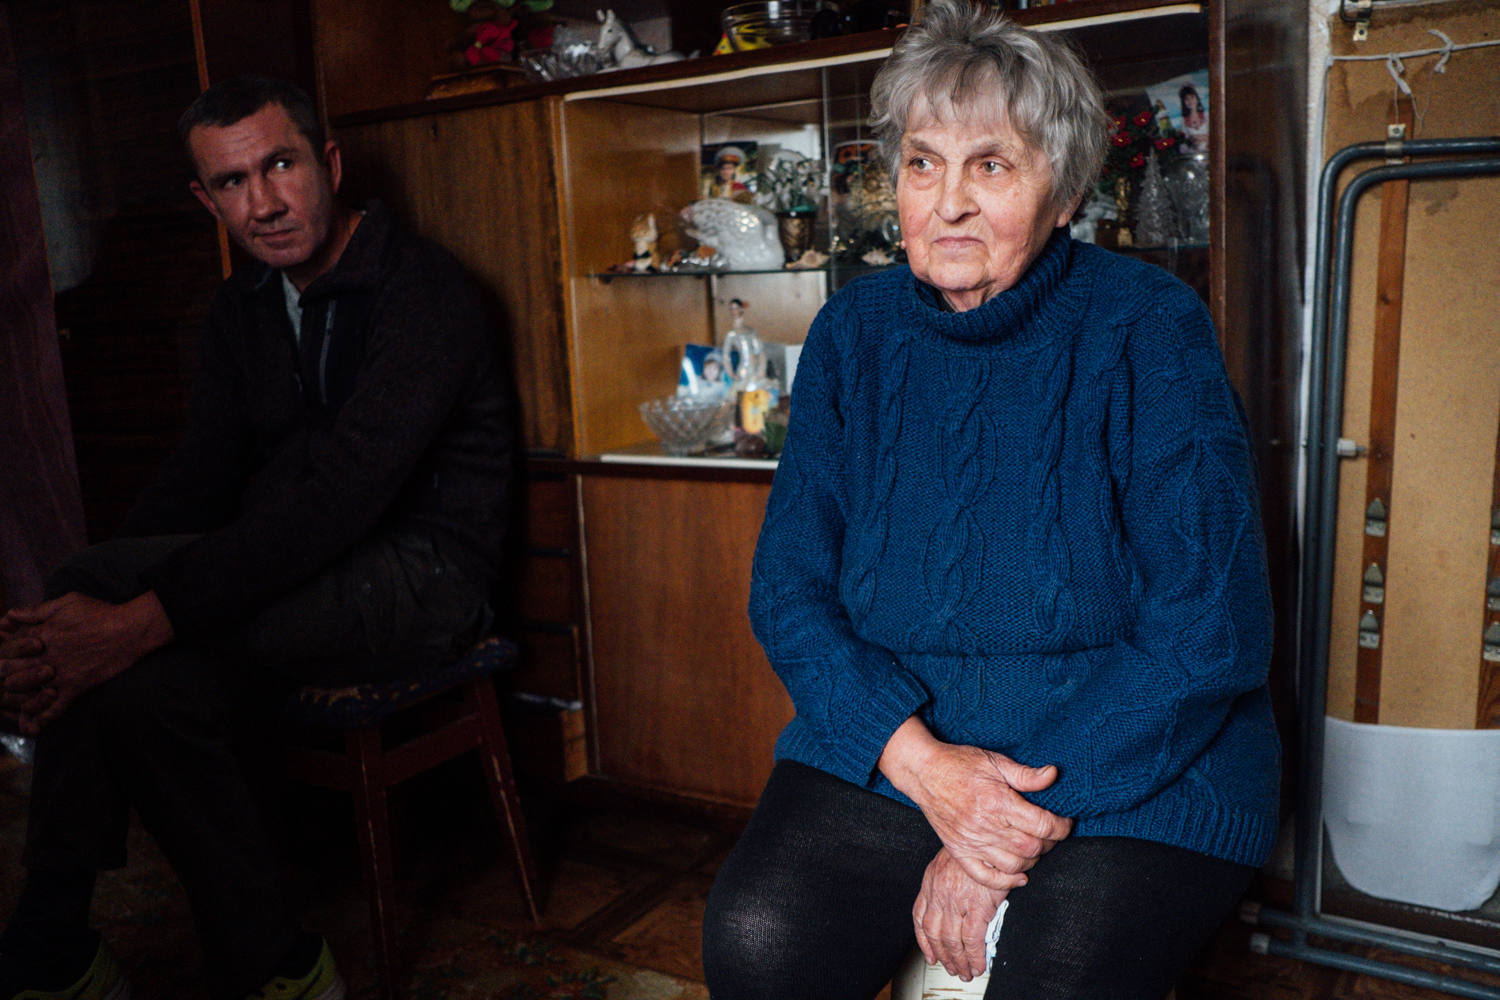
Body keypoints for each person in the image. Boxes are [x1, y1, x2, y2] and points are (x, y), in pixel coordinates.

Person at [700, 5, 1279, 999]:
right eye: (923, 163)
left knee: (1054, 978)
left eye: (993, 165)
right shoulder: (852, 335)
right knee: (757, 940)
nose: (950, 202)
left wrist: (993, 832)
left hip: (1129, 752)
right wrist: (926, 768)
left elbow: (1209, 627)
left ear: (1066, 192)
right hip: (902, 746)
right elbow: (789, 590)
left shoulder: (1149, 327)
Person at [0, 75, 511, 1000]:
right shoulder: (242, 308)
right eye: (233, 182)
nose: (264, 203)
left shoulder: (423, 290)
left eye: (280, 165)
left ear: (330, 164)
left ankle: (48, 947)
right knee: (134, 686)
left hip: (421, 578)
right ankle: (279, 963)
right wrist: (91, 617)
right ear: (207, 200)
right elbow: (198, 477)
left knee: (105, 617)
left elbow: (341, 501)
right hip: (297, 573)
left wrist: (138, 612)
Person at [1180, 84, 1208, 152]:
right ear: (1184, 102)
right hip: (1194, 152)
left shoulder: (1206, 115)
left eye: (1192, 97)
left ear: (1197, 99)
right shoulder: (1183, 121)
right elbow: (1184, 141)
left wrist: (1204, 138)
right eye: (1187, 99)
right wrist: (1193, 139)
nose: (1190, 101)